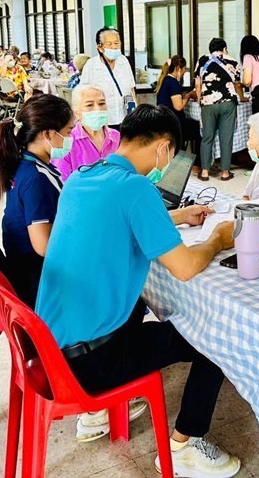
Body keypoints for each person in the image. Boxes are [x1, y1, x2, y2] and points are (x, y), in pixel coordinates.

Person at [35, 105, 241, 477]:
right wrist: (216, 240)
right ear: (163, 148)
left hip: (52, 346)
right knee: (215, 337)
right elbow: (184, 267)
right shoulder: (138, 189)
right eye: (172, 155)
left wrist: (174, 216)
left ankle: (106, 414)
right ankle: (184, 445)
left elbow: (118, 221)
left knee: (143, 305)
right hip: (90, 362)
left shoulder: (82, 177)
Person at [0, 94, 75, 308]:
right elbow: (43, 246)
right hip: (37, 280)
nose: (71, 138)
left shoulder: (24, 163)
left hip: (24, 268)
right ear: (48, 134)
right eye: (68, 132)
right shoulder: (36, 178)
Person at [195, 38, 245, 182]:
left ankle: (204, 172)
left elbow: (197, 83)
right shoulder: (233, 61)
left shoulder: (202, 60)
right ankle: (225, 172)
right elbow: (237, 85)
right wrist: (241, 98)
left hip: (208, 103)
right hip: (228, 103)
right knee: (226, 137)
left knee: (207, 137)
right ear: (224, 48)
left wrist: (200, 99)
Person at [53, 85, 120, 182]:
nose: (98, 109)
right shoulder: (66, 141)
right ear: (77, 113)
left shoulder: (117, 137)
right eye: (89, 105)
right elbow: (62, 181)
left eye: (102, 103)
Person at [81, 27, 137, 129]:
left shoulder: (123, 61)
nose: (114, 47)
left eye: (116, 43)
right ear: (100, 47)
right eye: (110, 44)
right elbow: (83, 94)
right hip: (103, 121)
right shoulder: (91, 65)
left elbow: (131, 88)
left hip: (125, 118)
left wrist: (135, 112)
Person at [155, 55, 200, 159]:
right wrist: (188, 96)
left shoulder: (165, 80)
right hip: (174, 123)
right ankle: (198, 164)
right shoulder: (173, 82)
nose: (184, 72)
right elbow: (178, 106)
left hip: (163, 121)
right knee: (199, 128)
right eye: (184, 69)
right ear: (178, 69)